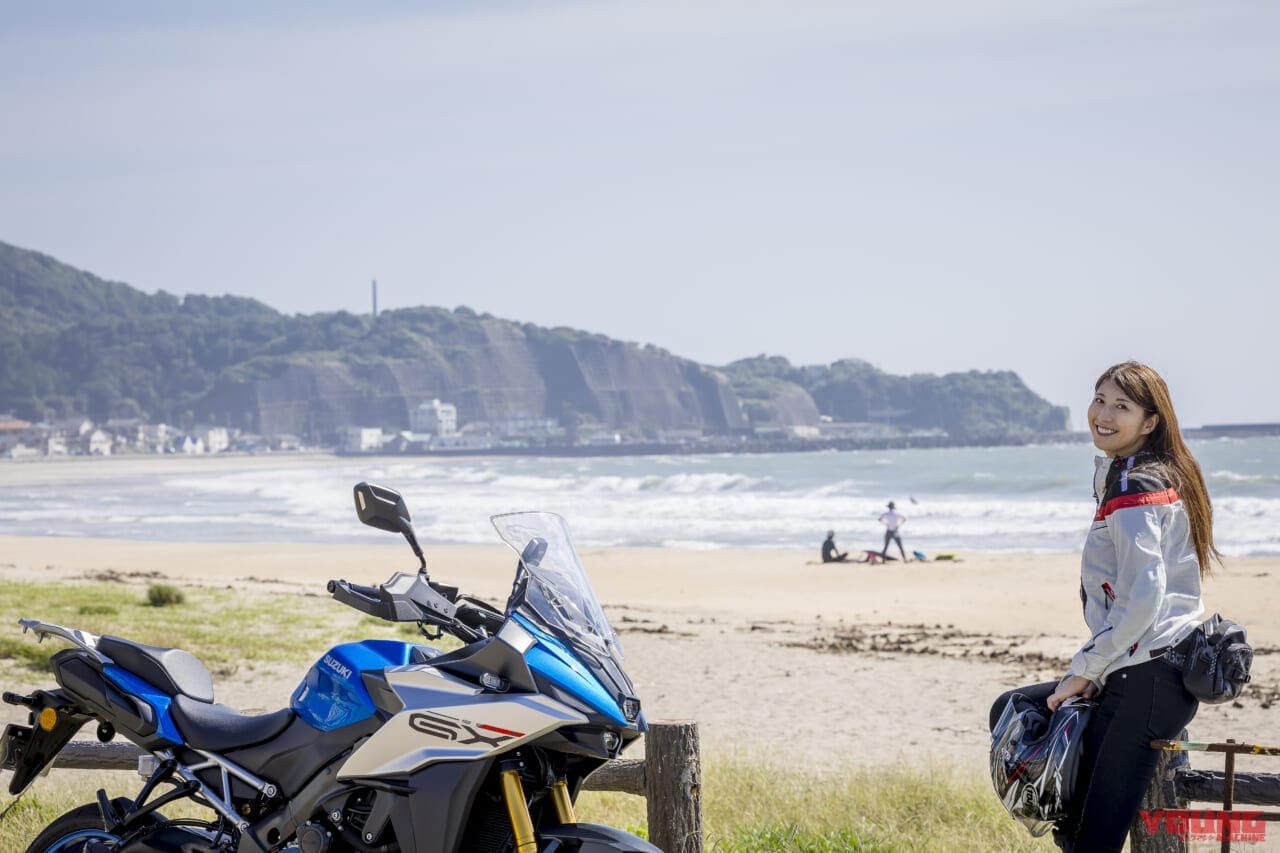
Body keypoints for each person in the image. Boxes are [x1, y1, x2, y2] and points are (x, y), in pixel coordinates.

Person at [988, 361, 1219, 852]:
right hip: (1138, 667)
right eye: (1100, 400)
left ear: (1150, 422)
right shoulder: (1129, 473)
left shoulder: (1138, 486)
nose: (1104, 415)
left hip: (1150, 675)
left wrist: (1086, 671)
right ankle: (1059, 812)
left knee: (1093, 839)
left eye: (1122, 407)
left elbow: (1143, 599)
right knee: (1015, 708)